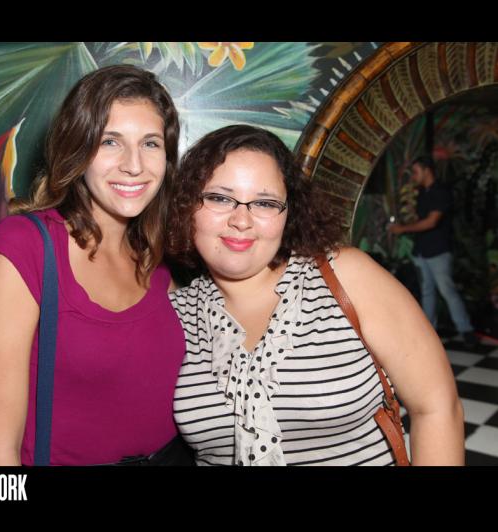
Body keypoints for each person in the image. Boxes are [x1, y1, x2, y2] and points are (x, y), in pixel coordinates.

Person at [166, 125, 465, 466]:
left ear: (289, 213)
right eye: (219, 198)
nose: (241, 220)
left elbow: (437, 405)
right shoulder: (174, 313)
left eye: (265, 202)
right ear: (187, 205)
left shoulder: (347, 276)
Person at [0, 64, 194, 466]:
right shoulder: (26, 248)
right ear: (78, 149)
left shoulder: (156, 258)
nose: (134, 165)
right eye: (110, 141)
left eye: (150, 143)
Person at [388, 155, 478, 349]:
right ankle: (429, 331)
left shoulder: (441, 192)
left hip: (438, 251)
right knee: (427, 291)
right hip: (422, 250)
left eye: (415, 172)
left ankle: (467, 331)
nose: (413, 176)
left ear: (426, 170)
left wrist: (402, 229)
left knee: (447, 291)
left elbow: (431, 222)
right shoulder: (423, 192)